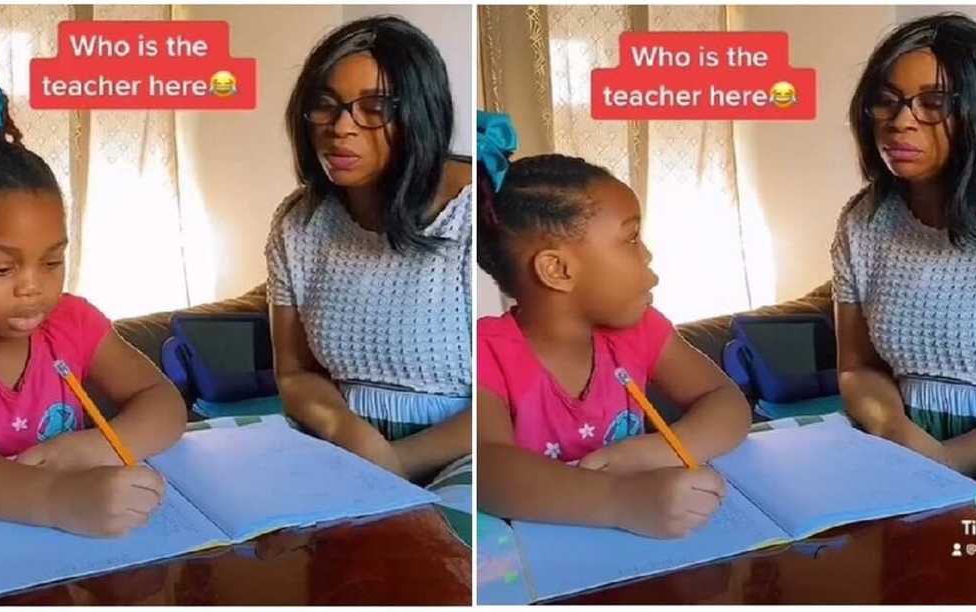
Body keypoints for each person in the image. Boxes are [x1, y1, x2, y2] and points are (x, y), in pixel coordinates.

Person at [0, 59, 187, 537]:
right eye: (2, 268)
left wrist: (95, 448)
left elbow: (164, 402)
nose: (32, 286)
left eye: (51, 262)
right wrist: (55, 498)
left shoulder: (72, 323)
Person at [476, 112, 751, 538]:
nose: (647, 256)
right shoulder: (489, 351)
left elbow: (726, 402)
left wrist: (653, 453)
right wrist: (622, 501)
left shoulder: (640, 330)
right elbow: (489, 469)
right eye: (631, 238)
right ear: (558, 270)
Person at [266, 17, 471, 482]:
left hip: (466, 452)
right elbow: (295, 374)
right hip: (341, 440)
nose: (340, 128)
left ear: (419, 115)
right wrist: (345, 430)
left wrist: (396, 462)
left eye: (374, 108)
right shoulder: (298, 223)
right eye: (325, 106)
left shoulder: (477, 215)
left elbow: (510, 397)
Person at [833, 13, 976, 478]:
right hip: (905, 437)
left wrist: (947, 462)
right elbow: (857, 366)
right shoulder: (863, 222)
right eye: (887, 101)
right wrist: (893, 429)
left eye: (933, 103)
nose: (900, 122)